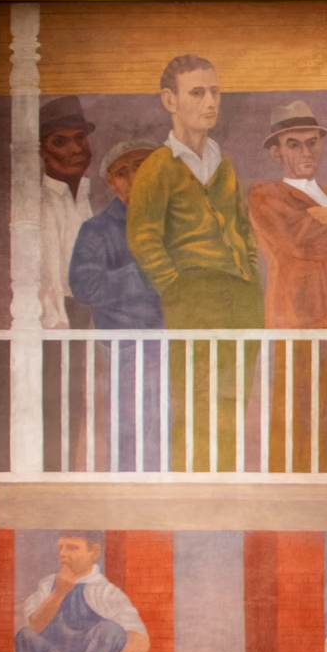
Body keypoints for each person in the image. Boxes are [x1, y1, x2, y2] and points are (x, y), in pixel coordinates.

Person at [127, 54, 263, 472]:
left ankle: (225, 487)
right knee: (194, 397)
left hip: (240, 299)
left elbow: (242, 226)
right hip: (192, 298)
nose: (210, 102)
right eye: (198, 92)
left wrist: (250, 274)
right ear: (170, 100)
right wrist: (176, 286)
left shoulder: (226, 164)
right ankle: (194, 488)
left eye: (215, 91)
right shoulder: (157, 168)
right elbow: (142, 235)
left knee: (234, 397)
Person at [249, 100, 327, 471]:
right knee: (292, 406)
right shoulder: (266, 195)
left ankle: (319, 479)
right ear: (277, 152)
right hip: (298, 311)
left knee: (326, 403)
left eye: (312, 143)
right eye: (294, 144)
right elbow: (303, 243)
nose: (306, 151)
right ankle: (285, 485)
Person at [70, 141, 166, 471]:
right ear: (111, 182)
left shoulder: (177, 221)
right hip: (127, 346)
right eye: (122, 172)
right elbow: (86, 286)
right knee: (133, 432)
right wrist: (147, 270)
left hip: (179, 342)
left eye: (141, 165)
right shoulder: (97, 229)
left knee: (178, 430)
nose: (133, 178)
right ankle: (131, 510)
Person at [15, 531, 150, 652]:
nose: (63, 554)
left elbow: (140, 640)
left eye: (72, 548)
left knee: (110, 628)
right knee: (25, 634)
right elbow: (35, 626)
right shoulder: (48, 585)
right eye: (61, 548)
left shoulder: (106, 591)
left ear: (94, 552)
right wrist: (59, 592)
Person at [38, 96, 97, 331]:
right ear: (43, 150)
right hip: (57, 317)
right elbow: (47, 273)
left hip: (86, 309)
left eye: (80, 138)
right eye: (60, 142)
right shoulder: (42, 204)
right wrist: (56, 320)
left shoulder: (83, 198)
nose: (75, 149)